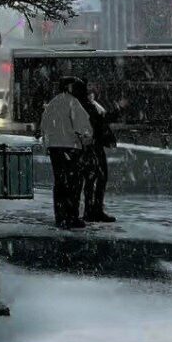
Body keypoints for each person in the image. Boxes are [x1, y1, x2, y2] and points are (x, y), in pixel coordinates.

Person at [40, 77, 94, 229]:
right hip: (70, 146)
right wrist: (87, 136)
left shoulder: (52, 103)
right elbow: (83, 125)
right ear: (71, 88)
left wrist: (48, 144)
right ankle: (72, 216)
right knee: (73, 183)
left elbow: (44, 126)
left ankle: (60, 215)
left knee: (60, 183)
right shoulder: (73, 102)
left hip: (54, 148)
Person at [72, 80, 126, 223]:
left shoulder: (86, 104)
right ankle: (93, 210)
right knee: (95, 178)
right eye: (89, 87)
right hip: (92, 146)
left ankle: (92, 210)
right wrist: (117, 110)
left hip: (91, 145)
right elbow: (99, 122)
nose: (93, 90)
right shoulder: (87, 105)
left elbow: (101, 120)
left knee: (93, 179)